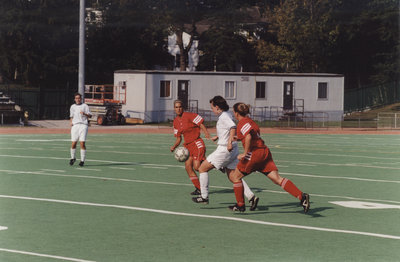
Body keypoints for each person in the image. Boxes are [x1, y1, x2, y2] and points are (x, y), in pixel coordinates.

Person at [228, 102, 310, 213]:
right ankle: (302, 197)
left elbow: (248, 136)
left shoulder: (241, 123)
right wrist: (239, 138)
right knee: (277, 179)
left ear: (236, 113)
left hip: (254, 154)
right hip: (264, 152)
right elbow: (252, 136)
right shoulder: (251, 121)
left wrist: (244, 153)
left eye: (233, 111)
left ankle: (240, 205)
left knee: (235, 177)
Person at [192, 96, 259, 211]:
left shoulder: (224, 116)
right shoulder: (227, 114)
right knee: (234, 176)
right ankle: (251, 197)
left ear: (217, 107)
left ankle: (204, 196)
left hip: (225, 150)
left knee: (202, 168)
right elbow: (228, 129)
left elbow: (232, 127)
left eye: (212, 107)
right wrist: (218, 136)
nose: (212, 110)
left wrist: (228, 142)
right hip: (233, 149)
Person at [170, 100, 210, 195]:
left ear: (182, 107)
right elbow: (179, 138)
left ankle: (213, 163)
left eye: (180, 107)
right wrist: (174, 146)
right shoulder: (175, 122)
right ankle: (199, 188)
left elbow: (200, 124)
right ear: (174, 109)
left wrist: (206, 133)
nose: (178, 109)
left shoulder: (190, 115)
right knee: (188, 167)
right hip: (188, 146)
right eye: (176, 107)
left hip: (197, 144)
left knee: (197, 167)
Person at [69, 92, 92, 167]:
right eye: (76, 98)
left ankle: (82, 160)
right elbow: (71, 116)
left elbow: (90, 115)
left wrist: (85, 114)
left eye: (79, 98)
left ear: (81, 99)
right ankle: (72, 158)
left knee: (82, 143)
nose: (78, 99)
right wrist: (71, 122)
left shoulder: (85, 106)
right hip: (75, 126)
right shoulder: (72, 106)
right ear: (74, 99)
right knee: (73, 143)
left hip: (83, 125)